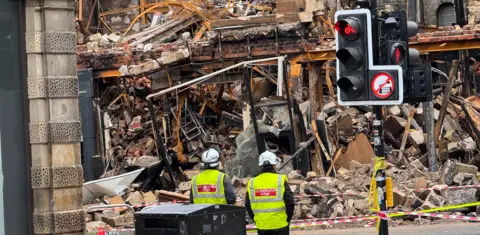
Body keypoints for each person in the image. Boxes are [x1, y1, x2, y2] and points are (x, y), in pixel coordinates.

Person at [245, 151, 295, 235]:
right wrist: (287, 220)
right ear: (274, 165)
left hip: (262, 226)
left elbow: (248, 205)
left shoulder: (252, 182)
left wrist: (257, 219)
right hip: (280, 225)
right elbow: (290, 203)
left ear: (260, 165)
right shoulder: (281, 179)